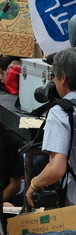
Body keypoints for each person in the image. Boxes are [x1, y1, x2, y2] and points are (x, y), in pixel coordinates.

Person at [29, 49, 76, 208]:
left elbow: (56, 169)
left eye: (54, 77)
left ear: (63, 79)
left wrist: (35, 184)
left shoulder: (62, 111)